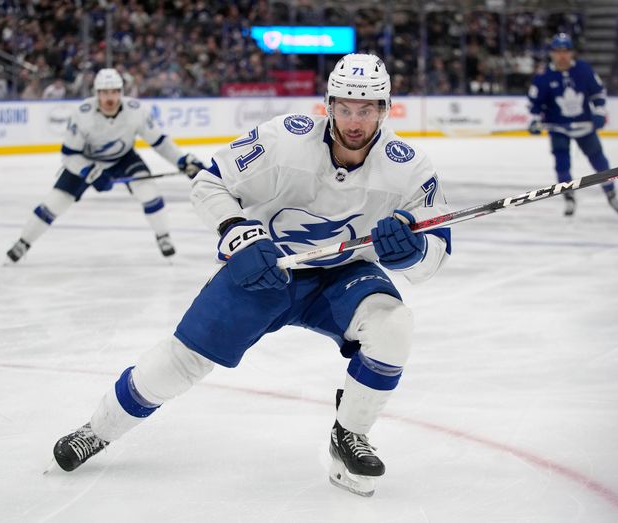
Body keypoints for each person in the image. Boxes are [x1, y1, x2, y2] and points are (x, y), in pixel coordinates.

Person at [50, 54, 453, 497]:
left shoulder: (409, 167)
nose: (354, 121)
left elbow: (434, 256)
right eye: (344, 108)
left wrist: (410, 252)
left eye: (367, 109)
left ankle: (349, 435)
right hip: (267, 268)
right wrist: (236, 232)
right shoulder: (285, 139)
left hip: (342, 274)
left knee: (393, 325)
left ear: (385, 109)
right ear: (328, 105)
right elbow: (209, 183)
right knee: (182, 361)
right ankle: (98, 429)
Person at [5, 68, 205, 263]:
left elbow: (159, 141)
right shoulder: (82, 114)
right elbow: (69, 155)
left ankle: (163, 236)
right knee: (54, 204)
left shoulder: (136, 110)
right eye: (104, 92)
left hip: (123, 159)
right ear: (96, 93)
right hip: (85, 162)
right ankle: (24, 242)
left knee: (149, 192)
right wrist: (91, 173)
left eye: (115, 92)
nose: (110, 98)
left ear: (121, 92)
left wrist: (182, 160)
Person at [527, 33, 618, 217]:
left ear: (572, 53)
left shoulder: (584, 69)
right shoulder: (543, 76)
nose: (562, 55)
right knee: (562, 164)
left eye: (566, 51)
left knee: (599, 161)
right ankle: (569, 198)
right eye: (558, 51)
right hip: (559, 129)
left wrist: (599, 113)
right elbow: (535, 103)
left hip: (584, 127)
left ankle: (611, 193)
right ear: (552, 53)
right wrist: (534, 119)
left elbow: (598, 93)